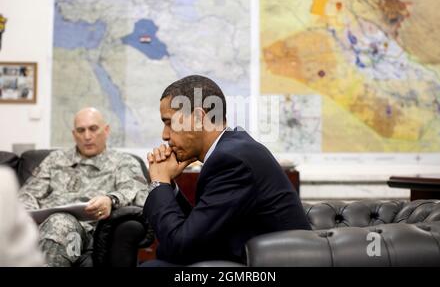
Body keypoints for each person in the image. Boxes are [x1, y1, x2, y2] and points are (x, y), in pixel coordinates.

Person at [142, 75, 311, 266]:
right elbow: (194, 234)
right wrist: (169, 184)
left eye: (169, 122)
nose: (164, 135)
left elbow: (179, 245)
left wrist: (159, 182)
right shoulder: (233, 150)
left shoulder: (231, 161)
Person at [18, 107, 149, 266]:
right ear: (74, 134)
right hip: (39, 226)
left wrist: (111, 200)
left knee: (59, 222)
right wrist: (27, 218)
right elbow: (27, 195)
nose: (87, 136)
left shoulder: (123, 162)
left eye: (93, 129)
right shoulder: (55, 159)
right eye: (81, 130)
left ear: (106, 130)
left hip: (84, 230)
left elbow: (139, 195)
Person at [0, 167, 45, 266]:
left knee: (60, 222)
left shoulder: (4, 180)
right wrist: (28, 213)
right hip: (45, 216)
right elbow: (29, 193)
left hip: (83, 222)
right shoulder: (56, 158)